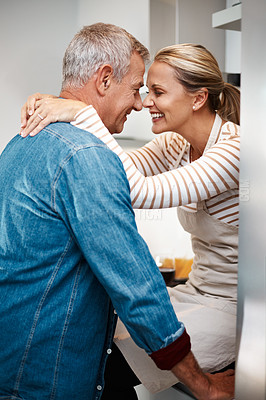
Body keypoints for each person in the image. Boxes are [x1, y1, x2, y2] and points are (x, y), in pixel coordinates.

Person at [0, 23, 235, 400]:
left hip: (18, 361)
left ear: (198, 98)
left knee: (122, 361)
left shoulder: (25, 141)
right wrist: (205, 388)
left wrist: (79, 111)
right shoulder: (89, 156)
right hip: (46, 376)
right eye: (140, 89)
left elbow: (128, 183)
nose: (143, 103)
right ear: (105, 79)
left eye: (156, 92)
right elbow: (118, 174)